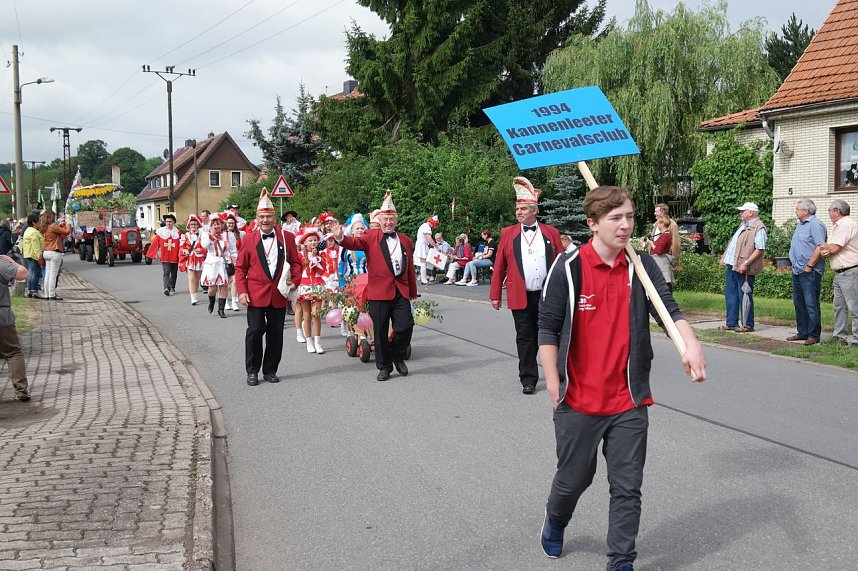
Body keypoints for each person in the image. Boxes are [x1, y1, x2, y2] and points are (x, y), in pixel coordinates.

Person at [537, 185, 706, 570]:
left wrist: (691, 345)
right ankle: (556, 519)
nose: (626, 225)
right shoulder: (569, 268)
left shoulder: (641, 268)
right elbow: (547, 328)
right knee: (574, 479)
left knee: (627, 488)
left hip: (629, 400)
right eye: (616, 218)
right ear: (592, 224)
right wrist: (552, 381)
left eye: (630, 216)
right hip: (578, 400)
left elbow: (670, 312)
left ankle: (621, 561)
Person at [332, 191, 417, 381]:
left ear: (396, 220)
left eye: (391, 219)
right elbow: (353, 242)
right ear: (380, 219)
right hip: (378, 292)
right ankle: (384, 367)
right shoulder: (370, 236)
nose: (388, 222)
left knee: (405, 326)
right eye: (385, 219)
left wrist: (412, 291)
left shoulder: (406, 240)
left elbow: (409, 267)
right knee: (379, 332)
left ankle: (397, 355)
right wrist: (340, 238)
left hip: (400, 291)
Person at [489, 177, 562, 394]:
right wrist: (495, 294)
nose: (518, 212)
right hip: (520, 295)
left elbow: (560, 264)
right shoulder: (508, 233)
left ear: (534, 211)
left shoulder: (551, 233)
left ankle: (556, 373)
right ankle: (528, 378)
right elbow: (499, 264)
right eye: (517, 209)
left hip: (547, 296)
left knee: (550, 335)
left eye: (523, 209)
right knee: (525, 338)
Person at [235, 188, 303, 386]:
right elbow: (240, 268)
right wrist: (242, 291)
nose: (265, 220)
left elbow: (297, 263)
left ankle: (270, 370)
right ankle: (252, 371)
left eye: (269, 216)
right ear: (257, 218)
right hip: (255, 294)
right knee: (255, 331)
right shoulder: (248, 239)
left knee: (276, 333)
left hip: (278, 294)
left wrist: (295, 281)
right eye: (262, 217)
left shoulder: (286, 237)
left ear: (274, 217)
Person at [810, 199, 858, 346]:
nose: (829, 213)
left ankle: (856, 340)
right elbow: (827, 248)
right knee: (839, 306)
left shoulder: (846, 224)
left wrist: (825, 247)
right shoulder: (838, 226)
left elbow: (833, 248)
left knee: (854, 306)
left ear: (837, 211)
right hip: (840, 272)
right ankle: (840, 337)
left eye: (830, 210)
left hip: (849, 271)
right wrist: (826, 248)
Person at [719, 202, 767, 333]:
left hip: (744, 267)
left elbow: (760, 249)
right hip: (733, 265)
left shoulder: (758, 228)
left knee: (744, 295)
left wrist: (746, 263)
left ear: (751, 212)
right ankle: (731, 322)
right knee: (731, 295)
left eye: (743, 211)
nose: (740, 213)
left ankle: (747, 324)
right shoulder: (744, 225)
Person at [787, 199, 828, 345]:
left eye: (797, 209)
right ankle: (802, 332)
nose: (795, 211)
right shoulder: (800, 225)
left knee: (811, 304)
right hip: (798, 270)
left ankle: (813, 335)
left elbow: (820, 246)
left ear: (806, 211)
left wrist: (809, 265)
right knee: (799, 303)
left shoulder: (815, 225)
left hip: (810, 271)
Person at [0, 254, 30, 401]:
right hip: (2, 317)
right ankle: (21, 390)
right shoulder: (1, 264)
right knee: (13, 352)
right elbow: (23, 273)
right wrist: (12, 262)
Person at [295, 227, 327, 354]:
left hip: (318, 285)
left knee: (316, 315)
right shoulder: (300, 256)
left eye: (315, 240)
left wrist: (315, 258)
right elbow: (300, 269)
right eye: (310, 240)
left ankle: (318, 342)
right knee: (307, 315)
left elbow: (322, 270)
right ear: (305, 243)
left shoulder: (321, 255)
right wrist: (307, 258)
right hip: (304, 286)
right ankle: (309, 341)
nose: (313, 242)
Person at [200, 214, 234, 318]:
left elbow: (232, 250)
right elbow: (204, 245)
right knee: (212, 288)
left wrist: (234, 262)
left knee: (224, 286)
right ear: (210, 225)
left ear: (222, 224)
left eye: (218, 224)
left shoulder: (228, 235)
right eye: (214, 224)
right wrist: (212, 235)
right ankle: (211, 301)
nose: (216, 226)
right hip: (211, 264)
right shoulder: (206, 234)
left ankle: (221, 310)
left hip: (223, 262)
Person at [147, 214, 181, 296]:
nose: (168, 223)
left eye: (170, 221)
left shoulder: (178, 233)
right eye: (167, 221)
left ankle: (172, 286)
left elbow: (182, 244)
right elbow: (155, 244)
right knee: (166, 272)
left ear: (174, 223)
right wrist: (154, 254)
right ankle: (166, 288)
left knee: (174, 273)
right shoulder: (161, 232)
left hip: (175, 256)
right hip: (165, 256)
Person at [41, 210, 71, 301]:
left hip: (46, 251)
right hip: (54, 251)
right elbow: (67, 232)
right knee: (53, 275)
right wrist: (68, 223)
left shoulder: (43, 227)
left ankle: (46, 294)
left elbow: (58, 230)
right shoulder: (53, 226)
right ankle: (52, 294)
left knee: (47, 274)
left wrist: (61, 225)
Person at [179, 214, 206, 305]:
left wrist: (201, 250)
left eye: (195, 224)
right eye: (191, 224)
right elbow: (181, 247)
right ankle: (192, 297)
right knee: (191, 278)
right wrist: (185, 250)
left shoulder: (202, 235)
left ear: (198, 225)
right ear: (188, 226)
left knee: (197, 279)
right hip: (190, 258)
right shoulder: (185, 235)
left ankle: (195, 293)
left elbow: (206, 247)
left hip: (199, 259)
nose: (193, 226)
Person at [645, 216, 674, 290]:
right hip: (660, 264)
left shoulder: (665, 236)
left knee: (664, 286)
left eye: (658, 223)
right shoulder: (664, 235)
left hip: (662, 264)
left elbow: (659, 251)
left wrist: (651, 243)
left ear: (662, 224)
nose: (657, 224)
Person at [224, 212, 245, 311]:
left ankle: (233, 301)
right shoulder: (222, 234)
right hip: (225, 260)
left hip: (237, 259)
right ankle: (225, 302)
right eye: (228, 223)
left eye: (232, 223)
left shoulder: (240, 234)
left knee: (235, 281)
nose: (230, 225)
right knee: (225, 282)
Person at [21, 213, 44, 299]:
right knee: (35, 273)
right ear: (34, 223)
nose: (40, 223)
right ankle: (34, 290)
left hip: (28, 254)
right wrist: (39, 256)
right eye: (38, 222)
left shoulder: (28, 230)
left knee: (31, 273)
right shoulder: (34, 232)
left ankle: (30, 290)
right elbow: (36, 246)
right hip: (33, 255)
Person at [413, 215, 441, 285]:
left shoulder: (424, 225)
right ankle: (424, 279)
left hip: (423, 245)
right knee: (423, 263)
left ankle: (424, 278)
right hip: (422, 246)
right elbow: (429, 238)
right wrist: (436, 247)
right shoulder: (426, 227)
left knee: (424, 263)